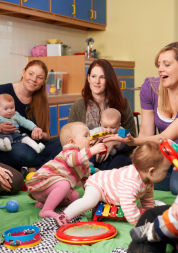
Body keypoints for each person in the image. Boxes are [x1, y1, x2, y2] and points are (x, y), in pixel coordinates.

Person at [105, 42, 178, 193]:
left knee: (174, 187)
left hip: (173, 155)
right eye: (159, 64)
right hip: (165, 153)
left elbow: (165, 136)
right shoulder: (151, 88)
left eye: (166, 64)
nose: (160, 69)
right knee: (132, 173)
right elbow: (146, 132)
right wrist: (137, 162)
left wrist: (133, 141)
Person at [54, 142, 171, 227]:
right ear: (151, 171)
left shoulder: (148, 181)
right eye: (165, 170)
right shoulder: (131, 182)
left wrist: (149, 213)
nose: (166, 172)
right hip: (98, 184)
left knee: (97, 202)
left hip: (110, 189)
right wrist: (140, 221)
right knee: (89, 201)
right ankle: (64, 216)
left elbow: (147, 199)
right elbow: (128, 209)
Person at [26, 122, 106, 221]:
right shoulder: (69, 150)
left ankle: (46, 203)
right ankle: (46, 210)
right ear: (72, 142)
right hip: (43, 183)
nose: (90, 139)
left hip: (48, 190)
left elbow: (86, 181)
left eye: (89, 135)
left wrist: (90, 197)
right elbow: (72, 161)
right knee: (65, 184)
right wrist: (92, 151)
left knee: (75, 195)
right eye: (86, 136)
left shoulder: (84, 162)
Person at [68, 59, 136, 170]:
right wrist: (91, 147)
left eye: (102, 77)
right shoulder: (78, 106)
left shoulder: (123, 104)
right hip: (87, 154)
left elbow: (133, 140)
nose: (97, 81)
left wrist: (114, 143)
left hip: (115, 156)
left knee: (119, 165)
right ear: (88, 78)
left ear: (109, 79)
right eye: (94, 76)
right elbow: (70, 140)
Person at [0, 60, 62, 173]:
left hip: (33, 145)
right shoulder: (3, 91)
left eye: (39, 77)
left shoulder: (41, 101)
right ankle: (48, 165)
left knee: (66, 142)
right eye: (31, 73)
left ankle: (33, 169)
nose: (34, 79)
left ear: (44, 81)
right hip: (8, 146)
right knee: (26, 154)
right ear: (23, 73)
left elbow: (46, 135)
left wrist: (39, 133)